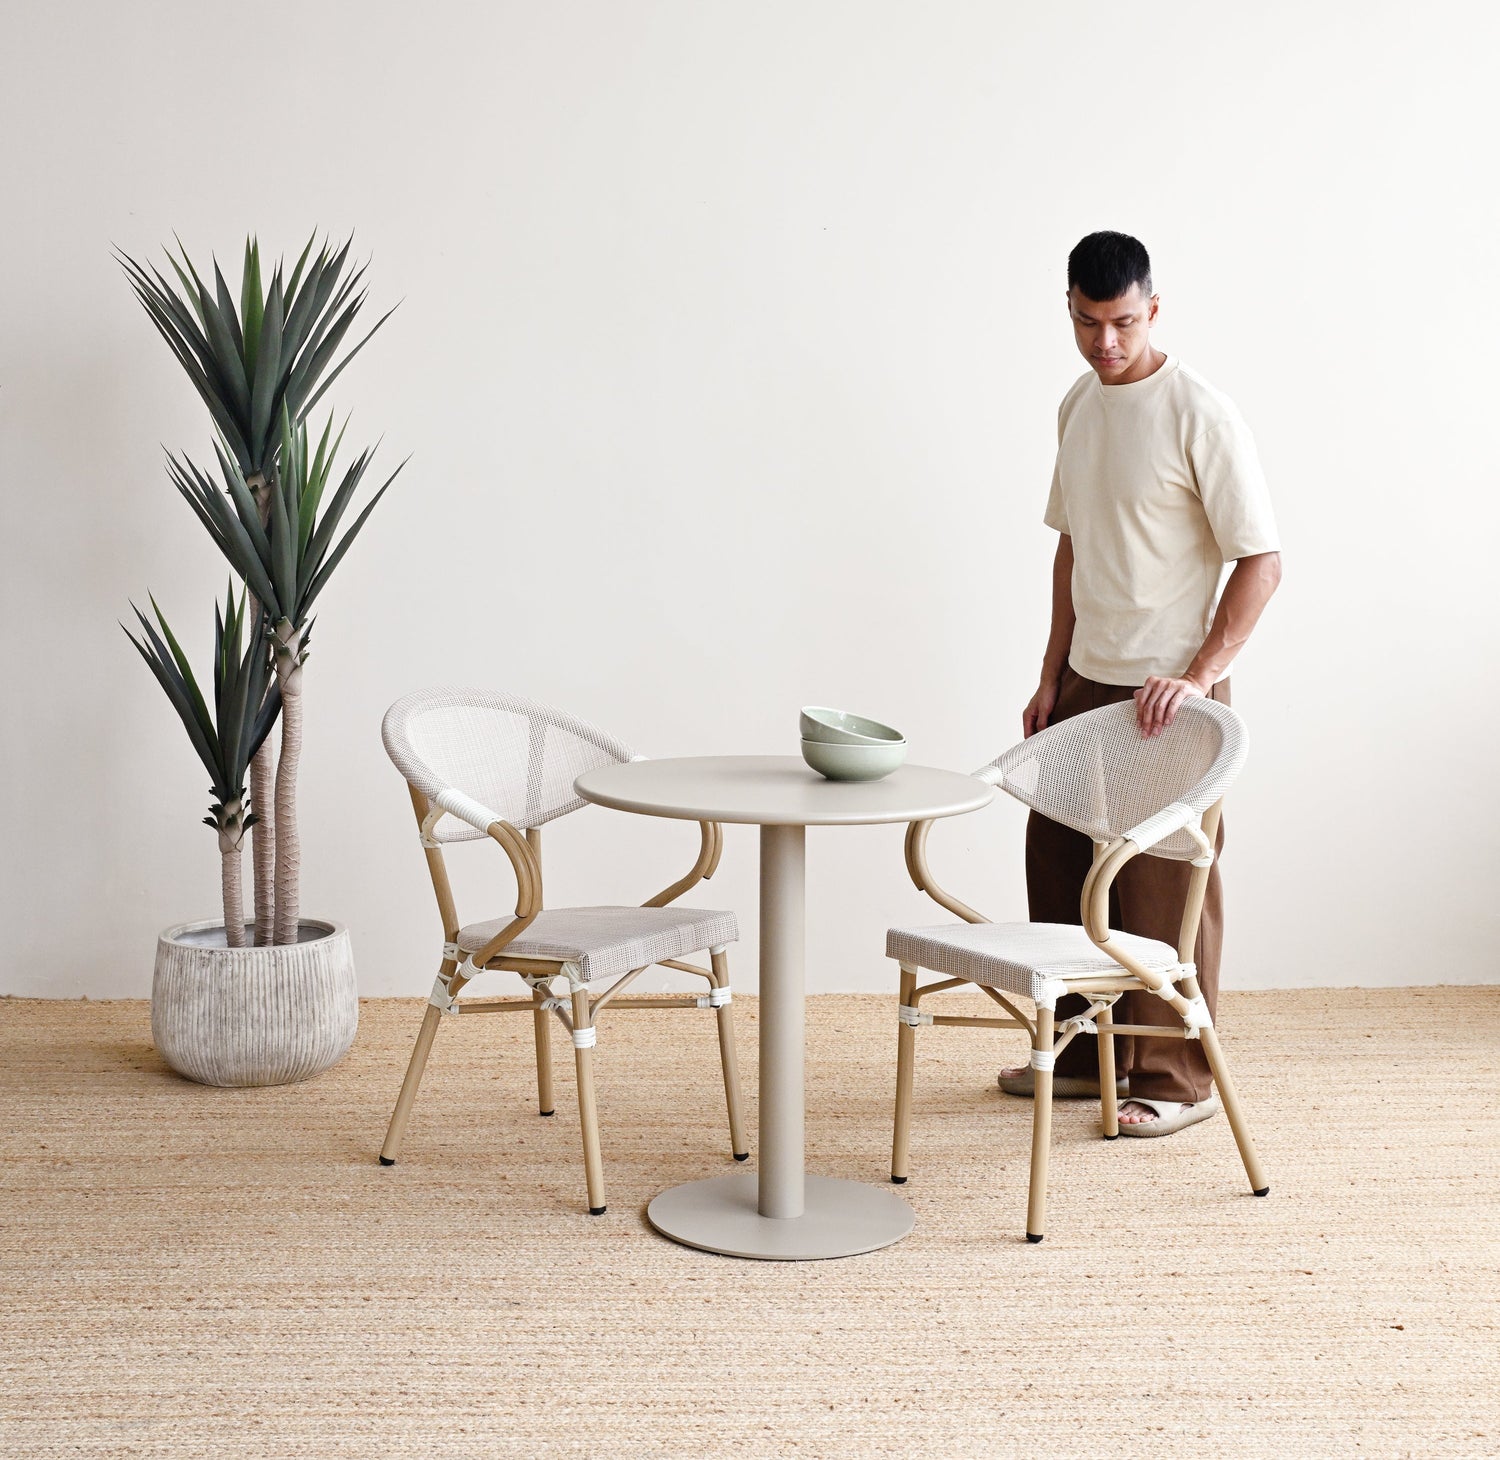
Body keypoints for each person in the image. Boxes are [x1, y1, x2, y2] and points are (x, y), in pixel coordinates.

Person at [997, 230, 1282, 1135]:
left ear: (1154, 310)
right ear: (1070, 310)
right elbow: (1071, 545)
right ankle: (1087, 1058)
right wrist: (1051, 674)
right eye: (1087, 322)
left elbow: (1262, 561)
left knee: (1163, 888)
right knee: (1059, 866)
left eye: (1122, 323)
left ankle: (1175, 1077)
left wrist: (1201, 675)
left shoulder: (1200, 410)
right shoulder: (1078, 404)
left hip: (1170, 700)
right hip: (1085, 683)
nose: (1105, 343)